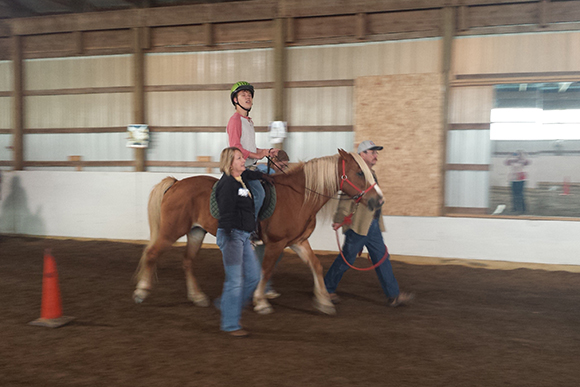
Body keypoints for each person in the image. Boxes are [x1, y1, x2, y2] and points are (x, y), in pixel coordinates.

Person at [324, 140, 414, 307]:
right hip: (358, 226)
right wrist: (339, 219)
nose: (375, 155)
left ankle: (393, 295)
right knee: (346, 260)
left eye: (376, 152)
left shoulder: (371, 174)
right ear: (362, 154)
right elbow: (345, 198)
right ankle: (326, 288)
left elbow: (375, 201)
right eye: (372, 152)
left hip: (372, 225)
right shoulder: (357, 174)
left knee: (381, 259)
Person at [214, 146, 269, 337]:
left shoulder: (241, 180)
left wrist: (265, 172)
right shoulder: (227, 185)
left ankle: (229, 304)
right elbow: (226, 214)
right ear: (230, 163)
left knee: (254, 277)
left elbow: (254, 177)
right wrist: (230, 239)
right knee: (235, 281)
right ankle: (230, 323)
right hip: (232, 237)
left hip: (244, 236)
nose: (243, 160)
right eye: (238, 158)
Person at [226, 81, 279, 226]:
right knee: (259, 194)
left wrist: (266, 151)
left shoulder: (248, 121)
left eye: (249, 95)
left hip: (251, 166)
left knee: (274, 175)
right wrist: (257, 155)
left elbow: (251, 148)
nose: (247, 97)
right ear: (236, 100)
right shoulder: (235, 120)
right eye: (243, 95)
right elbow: (236, 147)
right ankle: (249, 227)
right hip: (240, 169)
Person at [254, 150, 290, 299]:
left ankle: (264, 286)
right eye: (282, 165)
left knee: (274, 254)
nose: (283, 169)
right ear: (274, 161)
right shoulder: (264, 171)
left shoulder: (274, 173)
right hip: (264, 220)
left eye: (285, 166)